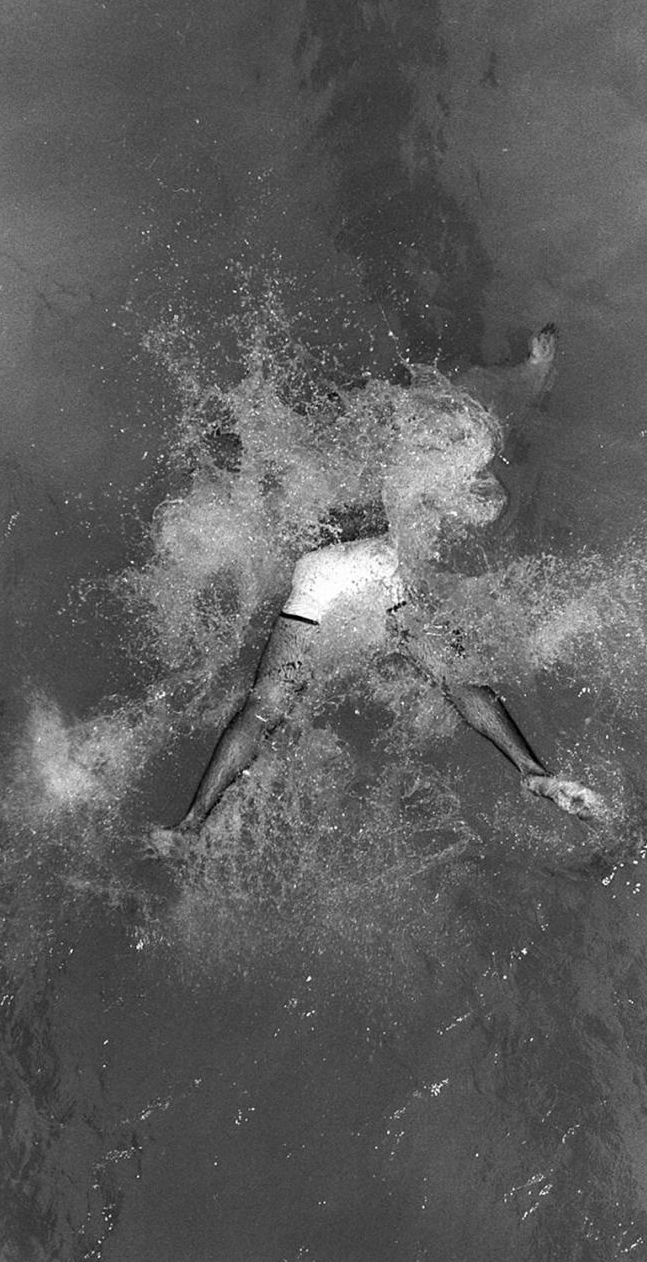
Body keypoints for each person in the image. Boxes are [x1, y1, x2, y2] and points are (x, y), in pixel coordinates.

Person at [147, 324, 611, 861]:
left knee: (262, 709)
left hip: (319, 576)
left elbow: (222, 451)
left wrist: (207, 444)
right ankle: (533, 772)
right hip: (378, 563)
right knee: (456, 680)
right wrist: (532, 373)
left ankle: (191, 823)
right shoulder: (382, 435)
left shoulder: (288, 447)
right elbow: (474, 443)